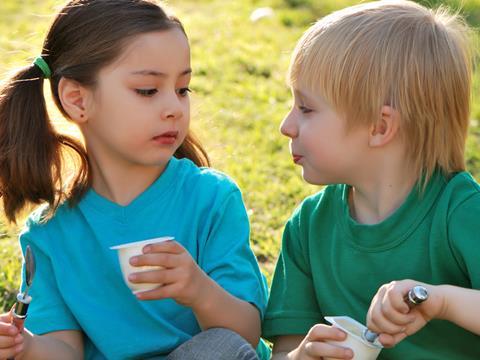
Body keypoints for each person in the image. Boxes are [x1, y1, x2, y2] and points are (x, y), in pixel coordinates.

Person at [0, 1, 268, 359]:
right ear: (77, 99)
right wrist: (26, 346)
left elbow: (245, 336)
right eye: (147, 90)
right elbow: (65, 349)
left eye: (183, 89)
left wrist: (198, 289)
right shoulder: (50, 233)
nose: (174, 106)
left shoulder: (211, 199)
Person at [261, 1, 480, 359]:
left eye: (306, 108)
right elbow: (286, 347)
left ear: (380, 127)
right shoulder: (308, 226)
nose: (287, 126)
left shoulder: (462, 212)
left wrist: (440, 301)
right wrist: (302, 355)